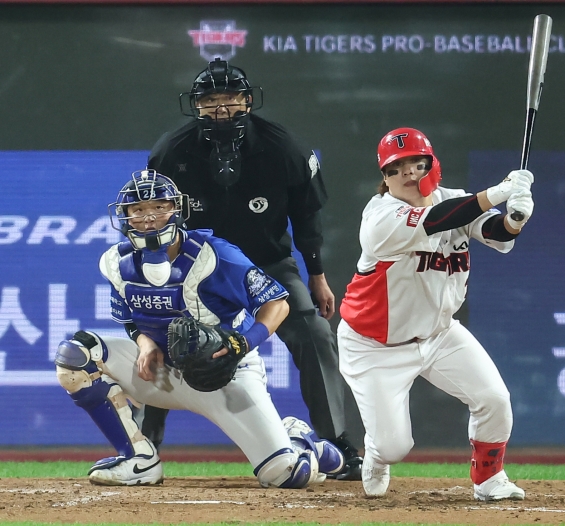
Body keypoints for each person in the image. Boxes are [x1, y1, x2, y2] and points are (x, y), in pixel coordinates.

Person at [142, 58, 362, 480]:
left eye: (230, 99)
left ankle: (335, 440)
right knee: (170, 334)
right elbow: (157, 216)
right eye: (209, 101)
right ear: (196, 106)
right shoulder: (171, 151)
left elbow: (307, 215)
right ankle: (146, 443)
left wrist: (315, 274)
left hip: (268, 264)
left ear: (247, 101)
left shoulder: (286, 148)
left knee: (315, 333)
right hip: (197, 267)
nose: (220, 109)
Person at [54, 170, 345, 487]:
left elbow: (278, 304)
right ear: (124, 218)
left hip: (225, 372)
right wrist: (145, 343)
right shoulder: (115, 262)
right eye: (138, 210)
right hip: (163, 372)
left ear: (177, 209)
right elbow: (129, 319)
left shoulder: (214, 254)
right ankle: (138, 459)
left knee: (287, 475)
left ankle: (300, 440)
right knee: (77, 357)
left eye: (159, 206)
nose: (149, 217)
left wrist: (242, 345)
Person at [337, 128, 535, 500]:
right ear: (384, 178)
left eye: (416, 162)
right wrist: (496, 192)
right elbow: (437, 219)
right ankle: (377, 452)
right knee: (395, 446)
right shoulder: (380, 218)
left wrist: (515, 218)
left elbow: (495, 232)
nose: (409, 173)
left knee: (494, 399)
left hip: (439, 333)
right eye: (396, 169)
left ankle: (489, 479)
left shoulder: (455, 199)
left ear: (432, 163)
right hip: (375, 345)